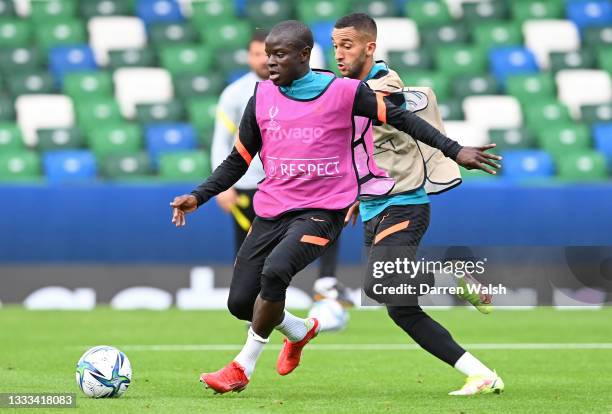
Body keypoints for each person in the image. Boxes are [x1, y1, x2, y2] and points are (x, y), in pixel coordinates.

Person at [170, 20, 501, 395]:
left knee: (286, 272)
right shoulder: (262, 98)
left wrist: (456, 150)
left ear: (304, 55)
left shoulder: (349, 90)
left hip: (354, 206)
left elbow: (402, 115)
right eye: (267, 56)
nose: (270, 63)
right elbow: (238, 159)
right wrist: (200, 195)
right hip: (303, 207)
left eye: (278, 55)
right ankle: (299, 330)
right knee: (243, 301)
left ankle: (241, 367)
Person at [333, 13, 504, 395]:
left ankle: (448, 275)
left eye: (347, 45)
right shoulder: (349, 86)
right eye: (335, 47)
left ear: (369, 47)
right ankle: (481, 373)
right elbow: (361, 148)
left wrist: (455, 150)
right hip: (376, 205)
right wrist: (355, 195)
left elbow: (389, 113)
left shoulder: (384, 83)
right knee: (396, 304)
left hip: (404, 203)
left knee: (379, 281)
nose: (339, 54)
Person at [211, 30, 348, 308]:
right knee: (251, 253)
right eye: (257, 54)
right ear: (248, 57)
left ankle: (326, 283)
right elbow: (221, 140)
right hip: (250, 185)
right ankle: (257, 305)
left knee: (322, 225)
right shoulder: (236, 93)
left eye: (269, 53)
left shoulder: (306, 89)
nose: (264, 60)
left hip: (293, 182)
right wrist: (223, 186)